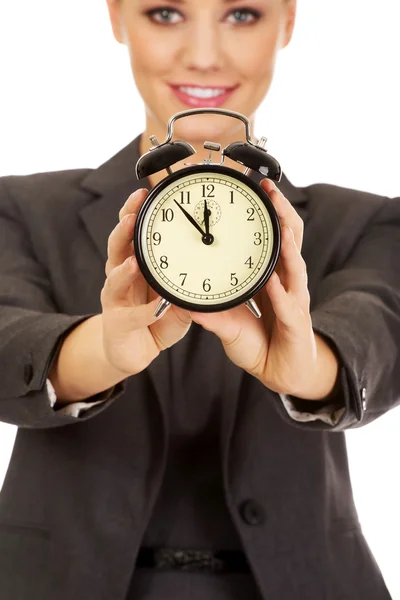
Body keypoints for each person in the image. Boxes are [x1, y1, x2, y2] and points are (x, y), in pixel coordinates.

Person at [0, 0, 398, 598]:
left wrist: (307, 365)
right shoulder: (23, 211)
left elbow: (378, 338)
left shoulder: (365, 223)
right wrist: (103, 351)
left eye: (242, 14)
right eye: (165, 13)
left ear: (289, 20)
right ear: (116, 17)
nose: (205, 55)